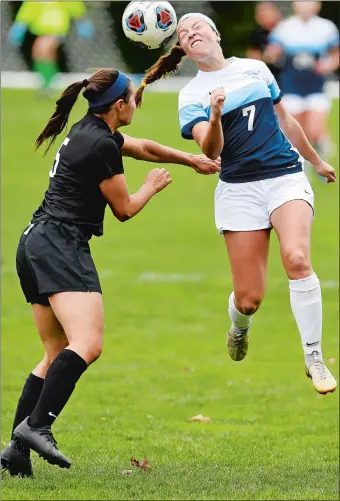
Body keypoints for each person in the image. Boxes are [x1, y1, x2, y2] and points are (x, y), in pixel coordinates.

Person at [1, 68, 220, 478]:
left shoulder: (92, 129)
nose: (137, 102)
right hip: (61, 245)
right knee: (88, 343)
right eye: (134, 98)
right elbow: (125, 209)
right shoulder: (100, 144)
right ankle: (37, 425)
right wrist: (152, 187)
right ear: (119, 106)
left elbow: (141, 148)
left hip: (33, 243)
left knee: (55, 353)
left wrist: (189, 158)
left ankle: (16, 449)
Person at [135, 13, 338, 397]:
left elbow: (286, 120)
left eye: (197, 27)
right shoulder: (192, 94)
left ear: (215, 33)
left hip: (284, 176)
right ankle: (239, 327)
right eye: (183, 33)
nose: (191, 33)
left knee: (296, 258)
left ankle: (314, 356)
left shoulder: (256, 69)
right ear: (183, 49)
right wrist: (214, 114)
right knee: (249, 298)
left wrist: (315, 160)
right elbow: (210, 152)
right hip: (238, 191)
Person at [264, 1, 339, 172]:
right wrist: (272, 54)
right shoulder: (285, 28)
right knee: (296, 131)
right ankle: (302, 168)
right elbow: (272, 52)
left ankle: (321, 156)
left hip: (316, 87)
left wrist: (329, 65)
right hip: (291, 87)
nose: (305, 6)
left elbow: (335, 55)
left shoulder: (326, 28)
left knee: (314, 130)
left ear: (317, 5)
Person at [8, 1, 94, 94]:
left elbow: (76, 7)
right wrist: (20, 26)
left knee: (44, 48)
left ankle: (50, 82)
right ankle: (47, 81)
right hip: (41, 31)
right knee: (38, 54)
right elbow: (27, 12)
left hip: (57, 29)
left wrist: (83, 22)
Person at [247, 1, 283, 84]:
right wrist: (266, 58)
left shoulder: (286, 30)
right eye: (259, 12)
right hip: (269, 79)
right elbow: (253, 59)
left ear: (277, 13)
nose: (263, 15)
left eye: (267, 11)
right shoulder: (257, 34)